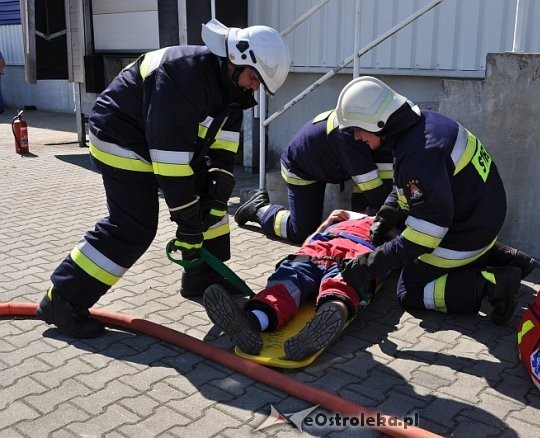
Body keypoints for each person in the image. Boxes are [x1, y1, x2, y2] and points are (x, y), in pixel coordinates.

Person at [36, 19, 291, 339]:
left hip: (166, 144)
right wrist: (186, 221)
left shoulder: (233, 90)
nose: (255, 87)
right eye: (255, 78)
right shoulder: (182, 76)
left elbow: (223, 150)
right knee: (134, 226)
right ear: (236, 59)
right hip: (120, 139)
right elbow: (170, 165)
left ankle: (202, 275)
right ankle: (63, 300)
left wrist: (217, 191)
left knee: (211, 202)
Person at [335, 76, 537, 325]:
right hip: (482, 217)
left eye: (357, 129)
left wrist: (368, 265)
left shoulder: (419, 155)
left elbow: (426, 236)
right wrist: (388, 213)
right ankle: (509, 258)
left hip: (469, 231)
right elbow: (408, 186)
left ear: (377, 123)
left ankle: (491, 285)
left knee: (409, 290)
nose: (356, 137)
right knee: (405, 244)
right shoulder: (424, 125)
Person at [203, 209, 393, 361]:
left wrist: (391, 230)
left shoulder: (391, 228)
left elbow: (399, 252)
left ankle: (327, 319)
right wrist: (326, 224)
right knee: (284, 287)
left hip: (355, 259)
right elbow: (307, 242)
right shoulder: (341, 220)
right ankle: (249, 323)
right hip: (316, 251)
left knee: (339, 287)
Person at [233, 108, 393, 244]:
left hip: (324, 165)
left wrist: (366, 219)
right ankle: (259, 209)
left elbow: (378, 188)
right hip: (300, 168)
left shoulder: (381, 134)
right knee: (302, 232)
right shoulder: (351, 136)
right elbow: (373, 190)